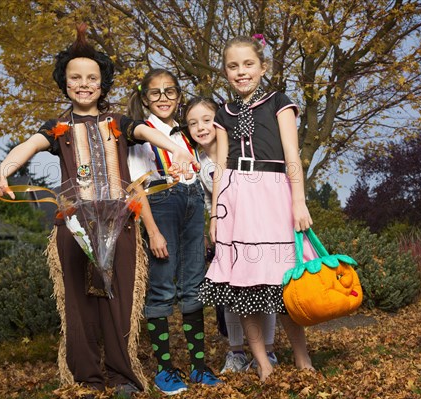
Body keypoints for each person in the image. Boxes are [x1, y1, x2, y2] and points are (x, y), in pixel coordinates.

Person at [0, 25, 198, 398]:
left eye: (92, 77)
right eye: (76, 77)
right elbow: (26, 147)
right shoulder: (56, 129)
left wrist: (182, 152)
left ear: (102, 83)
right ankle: (87, 379)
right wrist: (0, 172)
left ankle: (123, 376)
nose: (84, 84)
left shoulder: (119, 123)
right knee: (78, 304)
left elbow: (148, 133)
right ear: (66, 82)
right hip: (73, 225)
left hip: (121, 224)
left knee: (119, 302)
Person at [197, 35, 315, 382]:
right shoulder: (223, 113)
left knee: (287, 281)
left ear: (263, 68)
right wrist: (216, 214)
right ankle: (261, 361)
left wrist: (298, 201)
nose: (241, 72)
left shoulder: (279, 102)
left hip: (275, 193)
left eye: (248, 64)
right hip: (237, 200)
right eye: (233, 66)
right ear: (225, 72)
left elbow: (292, 156)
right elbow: (219, 167)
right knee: (244, 283)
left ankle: (301, 356)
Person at [126, 69, 221, 396]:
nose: (163, 98)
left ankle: (198, 366)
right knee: (162, 289)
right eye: (155, 93)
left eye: (170, 92)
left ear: (179, 97)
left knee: (194, 286)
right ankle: (165, 370)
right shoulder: (141, 133)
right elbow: (137, 187)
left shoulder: (186, 134)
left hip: (193, 207)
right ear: (145, 98)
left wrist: (210, 218)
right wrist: (152, 231)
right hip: (161, 209)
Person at [184, 97, 279, 374]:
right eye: (192, 123)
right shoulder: (198, 163)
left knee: (266, 288)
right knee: (230, 293)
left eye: (206, 120)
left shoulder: (241, 149)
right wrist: (207, 229)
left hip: (257, 224)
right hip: (226, 230)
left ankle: (269, 351)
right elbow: (203, 200)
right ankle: (236, 352)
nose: (201, 127)